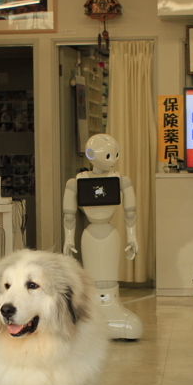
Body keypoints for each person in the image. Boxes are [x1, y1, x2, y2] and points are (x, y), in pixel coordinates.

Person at [62, 134, 143, 340]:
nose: (113, 160)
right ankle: (94, 311)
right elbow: (69, 215)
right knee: (91, 279)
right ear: (91, 154)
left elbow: (131, 212)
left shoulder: (121, 180)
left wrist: (132, 236)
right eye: (108, 155)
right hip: (90, 235)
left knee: (109, 276)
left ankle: (110, 306)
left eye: (116, 155)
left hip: (109, 234)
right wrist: (69, 239)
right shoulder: (76, 182)